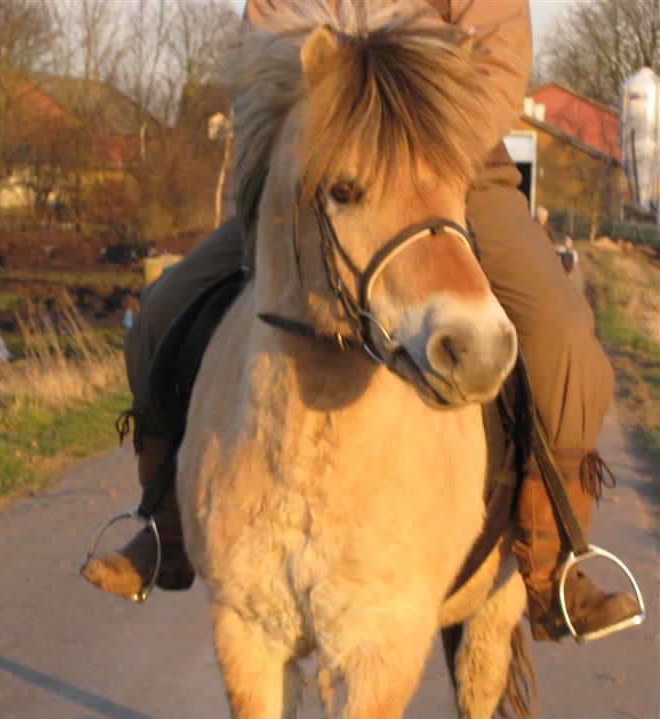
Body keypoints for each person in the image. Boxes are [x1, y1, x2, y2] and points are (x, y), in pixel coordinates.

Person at [81, 0, 640, 642]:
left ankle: (553, 563)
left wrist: (415, 135)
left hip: (447, 171)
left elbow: (500, 56)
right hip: (325, 177)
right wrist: (315, 143)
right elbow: (262, 55)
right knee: (164, 310)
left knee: (561, 335)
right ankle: (168, 525)